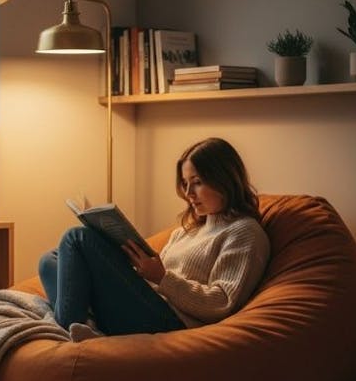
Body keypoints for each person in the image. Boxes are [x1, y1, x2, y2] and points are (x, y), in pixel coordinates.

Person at [38, 137, 270, 341]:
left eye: (197, 182)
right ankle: (85, 324)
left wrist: (162, 277)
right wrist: (132, 265)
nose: (189, 194)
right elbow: (154, 279)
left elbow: (221, 302)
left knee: (76, 238)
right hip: (146, 302)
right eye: (185, 183)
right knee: (49, 259)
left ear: (225, 180)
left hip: (171, 322)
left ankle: (68, 330)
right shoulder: (186, 231)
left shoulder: (243, 232)